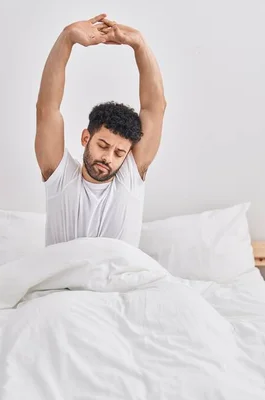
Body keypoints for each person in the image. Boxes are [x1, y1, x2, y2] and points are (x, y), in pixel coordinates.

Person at [35, 14, 166, 247]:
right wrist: (67, 38)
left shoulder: (129, 179)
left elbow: (154, 108)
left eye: (119, 153)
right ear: (86, 137)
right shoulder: (60, 178)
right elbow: (47, 109)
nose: (108, 157)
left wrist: (139, 44)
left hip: (121, 283)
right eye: (103, 145)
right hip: (63, 283)